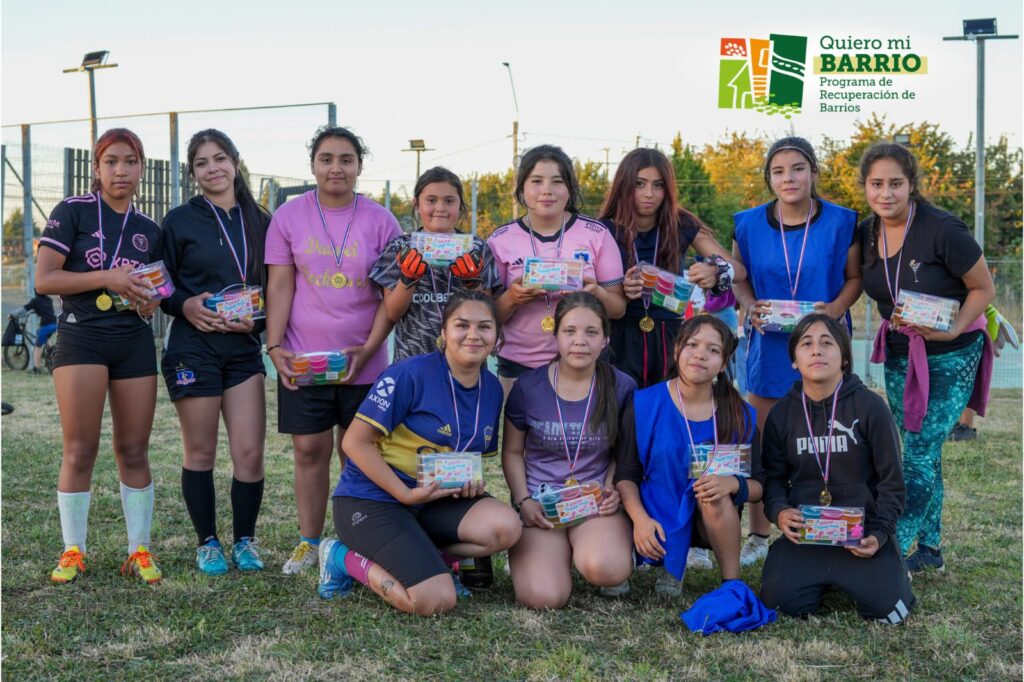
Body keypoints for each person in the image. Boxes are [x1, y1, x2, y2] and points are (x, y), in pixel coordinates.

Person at [320, 291, 521, 615]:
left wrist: (466, 484)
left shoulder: (493, 388)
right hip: (374, 500)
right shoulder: (409, 374)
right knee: (434, 600)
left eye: (485, 327)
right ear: (443, 333)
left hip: (432, 498)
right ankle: (341, 557)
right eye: (462, 325)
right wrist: (405, 493)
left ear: (496, 336)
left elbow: (467, 455)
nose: (473, 335)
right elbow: (354, 443)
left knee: (506, 527)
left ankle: (428, 559)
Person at [265, 126, 402, 575]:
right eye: (326, 159)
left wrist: (369, 349)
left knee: (358, 452)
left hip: (364, 362)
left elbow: (392, 296)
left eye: (346, 159)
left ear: (360, 166)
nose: (336, 167)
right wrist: (275, 345)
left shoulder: (382, 220)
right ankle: (308, 541)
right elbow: (281, 284)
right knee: (309, 450)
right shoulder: (288, 216)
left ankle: (355, 541)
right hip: (306, 361)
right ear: (313, 165)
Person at [859, 143, 995, 574]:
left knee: (916, 451)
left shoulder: (942, 229)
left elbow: (983, 288)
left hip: (953, 353)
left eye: (895, 183)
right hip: (902, 352)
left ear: (911, 185)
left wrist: (954, 328)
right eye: (876, 184)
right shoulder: (865, 232)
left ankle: (890, 547)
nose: (886, 193)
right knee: (924, 451)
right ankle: (931, 550)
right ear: (865, 187)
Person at [36, 128, 164, 584]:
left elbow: (155, 288)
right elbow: (45, 280)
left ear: (141, 168)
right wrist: (106, 278)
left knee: (133, 448)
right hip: (82, 337)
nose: (121, 171)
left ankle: (138, 550)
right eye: (111, 161)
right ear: (97, 168)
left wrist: (150, 300)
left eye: (130, 161)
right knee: (80, 447)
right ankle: (74, 550)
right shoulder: (72, 211)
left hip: (132, 339)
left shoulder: (149, 229)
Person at [731, 136, 862, 567]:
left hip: (825, 345)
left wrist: (834, 311)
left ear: (814, 172)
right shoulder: (748, 224)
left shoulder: (842, 221)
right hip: (770, 347)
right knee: (765, 442)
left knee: (833, 440)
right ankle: (758, 533)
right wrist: (750, 307)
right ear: (768, 178)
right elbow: (738, 277)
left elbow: (854, 278)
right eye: (779, 171)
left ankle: (833, 524)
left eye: (798, 168)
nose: (788, 178)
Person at [160, 129, 271, 575]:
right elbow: (159, 284)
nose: (213, 169)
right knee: (200, 451)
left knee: (249, 453)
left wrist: (258, 323)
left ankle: (245, 540)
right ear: (192, 172)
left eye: (220, 158)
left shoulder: (262, 220)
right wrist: (183, 304)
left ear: (236, 162)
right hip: (193, 347)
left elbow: (275, 287)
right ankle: (207, 542)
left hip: (243, 349)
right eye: (202, 163)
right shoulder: (178, 221)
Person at [760, 314, 914, 623]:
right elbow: (772, 479)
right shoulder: (781, 414)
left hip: (860, 535)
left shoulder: (870, 406)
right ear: (794, 360)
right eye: (806, 343)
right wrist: (778, 511)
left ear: (844, 357)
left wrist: (880, 534)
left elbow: (892, 482)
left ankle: (889, 565)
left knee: (891, 613)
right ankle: (816, 574)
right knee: (777, 605)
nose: (816, 350)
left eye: (827, 343)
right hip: (807, 535)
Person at [502, 292, 636, 608]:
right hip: (541, 502)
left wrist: (609, 487)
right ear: (556, 335)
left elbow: (623, 451)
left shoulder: (622, 386)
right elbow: (511, 452)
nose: (580, 341)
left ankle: (596, 547)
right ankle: (548, 553)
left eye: (591, 332)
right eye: (570, 331)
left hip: (594, 503)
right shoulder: (527, 387)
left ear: (605, 339)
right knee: (543, 597)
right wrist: (523, 501)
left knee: (607, 569)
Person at [615, 315, 763, 594]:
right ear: (676, 350)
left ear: (724, 361)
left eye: (713, 350)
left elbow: (761, 484)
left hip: (706, 517)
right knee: (609, 574)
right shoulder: (643, 403)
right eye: (692, 344)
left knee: (714, 495)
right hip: (650, 510)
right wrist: (640, 520)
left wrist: (733, 484)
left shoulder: (740, 415)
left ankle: (732, 584)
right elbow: (625, 474)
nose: (700, 355)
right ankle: (643, 554)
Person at [599, 147, 746, 388]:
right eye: (639, 184)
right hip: (617, 338)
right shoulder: (601, 229)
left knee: (669, 414)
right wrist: (617, 288)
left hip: (671, 338)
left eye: (658, 185)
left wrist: (716, 270)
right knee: (622, 416)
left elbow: (738, 270)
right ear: (624, 184)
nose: (650, 194)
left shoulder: (681, 223)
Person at [488, 144, 627, 395]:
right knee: (519, 434)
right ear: (521, 188)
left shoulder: (596, 234)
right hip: (518, 365)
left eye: (557, 181)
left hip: (583, 362)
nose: (547, 191)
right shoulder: (500, 239)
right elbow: (488, 315)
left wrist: (596, 294)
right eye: (537, 181)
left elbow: (618, 308)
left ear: (570, 189)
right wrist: (512, 298)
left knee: (582, 434)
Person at [370, 166, 501, 361]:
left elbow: (487, 311)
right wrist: (408, 280)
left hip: (464, 361)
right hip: (412, 358)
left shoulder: (477, 248)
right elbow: (392, 313)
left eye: (449, 201)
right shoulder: (400, 247)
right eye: (431, 200)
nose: (440, 208)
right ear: (417, 204)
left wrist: (474, 284)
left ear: (460, 205)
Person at [17, 290, 57, 373]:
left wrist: (13, 315)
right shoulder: (48, 299)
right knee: (40, 332)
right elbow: (45, 309)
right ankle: (48, 350)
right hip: (54, 323)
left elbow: (23, 309)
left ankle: (36, 369)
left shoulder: (35, 301)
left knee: (37, 347)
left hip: (47, 325)